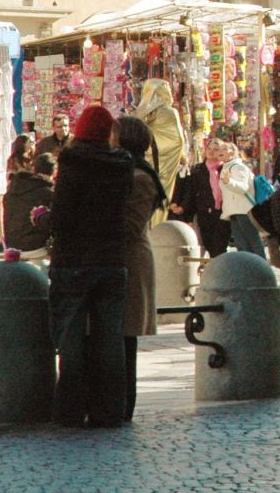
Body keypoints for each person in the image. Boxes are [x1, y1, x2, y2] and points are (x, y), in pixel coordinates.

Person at [45, 105, 135, 428]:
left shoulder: (72, 163)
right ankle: (109, 411)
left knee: (69, 337)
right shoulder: (123, 165)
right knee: (110, 341)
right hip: (111, 260)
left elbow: (63, 216)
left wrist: (45, 217)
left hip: (74, 261)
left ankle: (69, 410)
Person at [111, 116, 166, 422]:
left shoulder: (141, 176)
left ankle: (124, 406)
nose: (110, 139)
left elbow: (130, 225)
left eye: (114, 134)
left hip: (131, 260)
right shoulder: (129, 171)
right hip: (123, 258)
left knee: (125, 338)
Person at [134, 79, 187, 218]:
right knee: (161, 195)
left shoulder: (139, 114)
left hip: (146, 161)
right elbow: (177, 140)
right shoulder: (170, 112)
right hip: (164, 163)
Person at [169, 139, 231, 258]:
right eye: (209, 149)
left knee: (220, 248)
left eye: (216, 149)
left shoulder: (226, 169)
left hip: (223, 213)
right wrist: (188, 216)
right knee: (204, 245)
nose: (212, 152)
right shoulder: (197, 170)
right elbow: (190, 193)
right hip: (204, 213)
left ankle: (217, 272)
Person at [1, 152, 56, 251]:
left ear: (34, 169)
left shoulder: (13, 189)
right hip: (36, 247)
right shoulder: (48, 193)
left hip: (11, 245)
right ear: (54, 172)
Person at [221, 144, 265, 259]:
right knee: (242, 245)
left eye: (225, 148)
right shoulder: (227, 167)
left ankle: (262, 270)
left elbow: (243, 188)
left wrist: (228, 182)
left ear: (233, 152)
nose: (221, 151)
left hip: (244, 210)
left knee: (252, 243)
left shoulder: (238, 167)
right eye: (219, 149)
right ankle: (249, 271)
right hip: (234, 211)